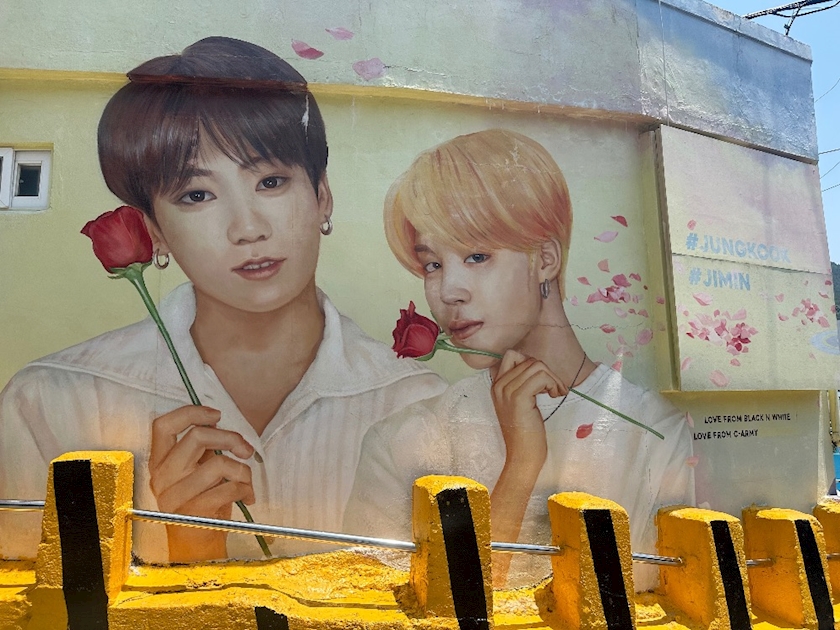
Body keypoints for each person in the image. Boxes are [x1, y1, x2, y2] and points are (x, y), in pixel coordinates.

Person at [0, 37, 446, 563]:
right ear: (154, 231)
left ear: (321, 196)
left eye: (271, 181)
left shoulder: (420, 405)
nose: (248, 228)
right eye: (197, 195)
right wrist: (188, 556)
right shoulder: (50, 404)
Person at [344, 129, 694, 591]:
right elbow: (374, 606)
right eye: (432, 264)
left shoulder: (654, 432)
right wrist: (521, 464)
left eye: (476, 255)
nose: (448, 291)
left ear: (545, 258)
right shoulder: (401, 442)